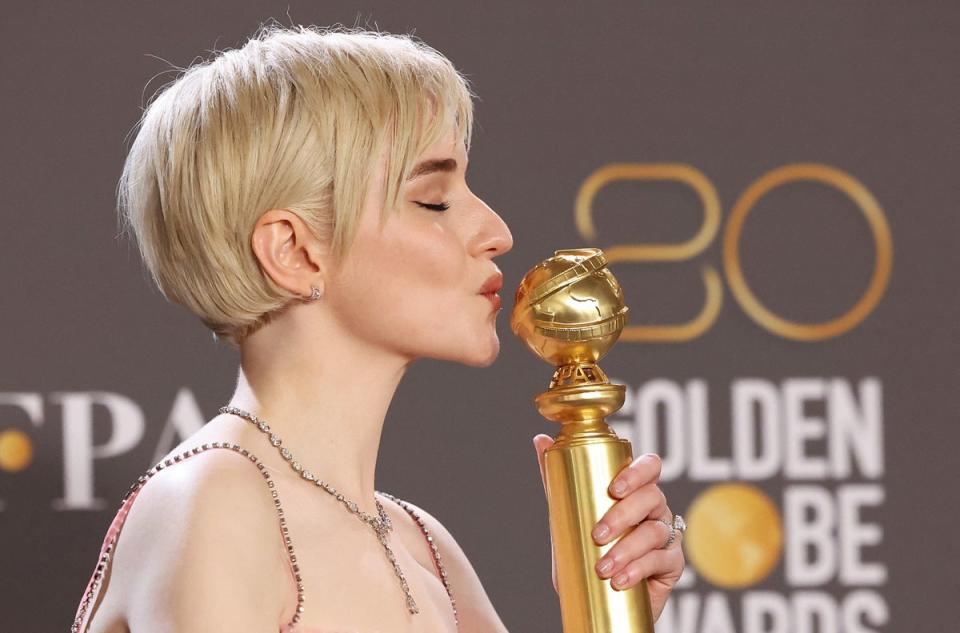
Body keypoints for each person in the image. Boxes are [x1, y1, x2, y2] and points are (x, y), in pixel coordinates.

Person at [72, 23, 685, 633]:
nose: (497, 232)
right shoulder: (215, 504)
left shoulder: (426, 551)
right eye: (434, 200)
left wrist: (612, 612)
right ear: (292, 251)